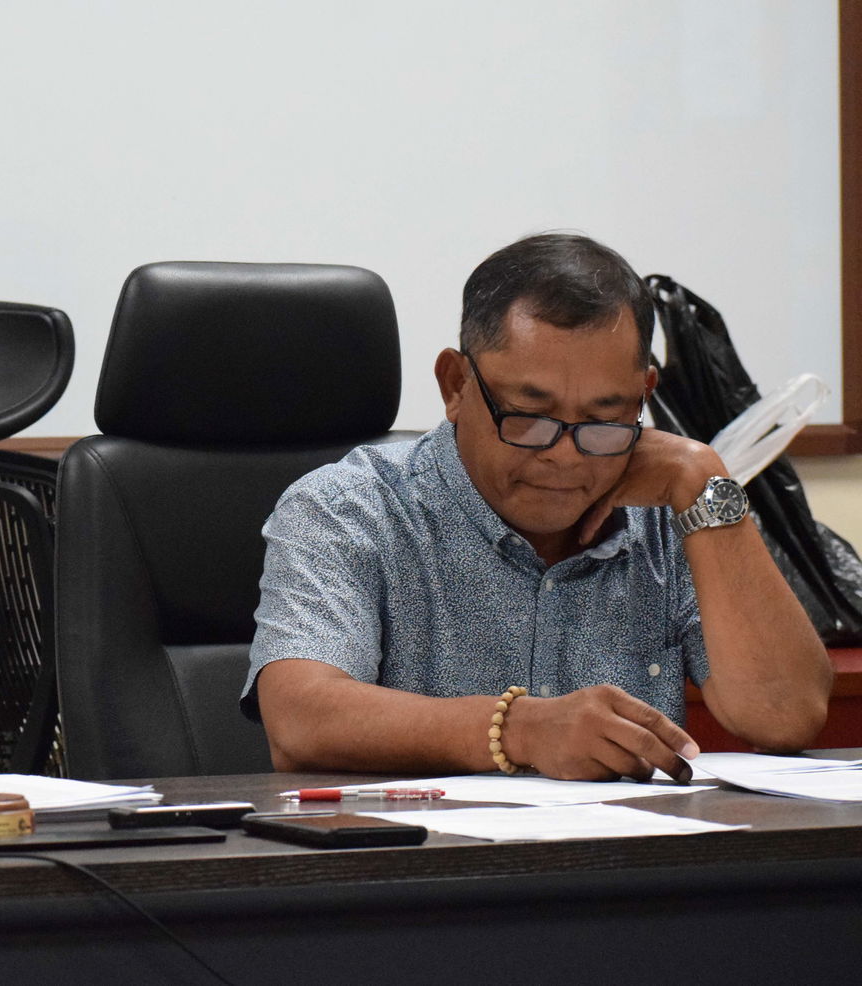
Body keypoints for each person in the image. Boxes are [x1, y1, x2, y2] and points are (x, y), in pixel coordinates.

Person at [244, 233, 831, 781]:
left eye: (604, 419)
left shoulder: (673, 514)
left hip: (623, 869)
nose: (567, 458)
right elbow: (300, 719)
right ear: (455, 386)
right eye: (529, 415)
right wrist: (517, 729)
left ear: (643, 396)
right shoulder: (350, 506)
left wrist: (702, 476)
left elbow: (786, 715)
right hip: (418, 873)